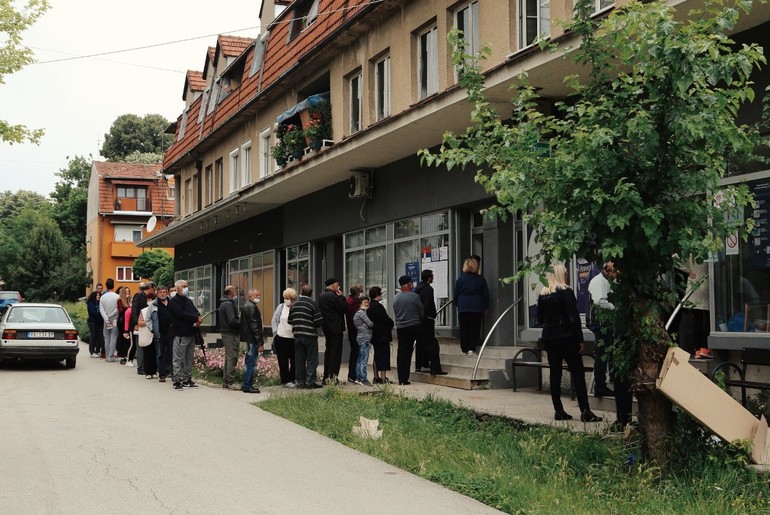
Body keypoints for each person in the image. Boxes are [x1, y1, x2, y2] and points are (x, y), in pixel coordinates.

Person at [537, 263, 602, 422]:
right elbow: (573, 318)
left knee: (555, 373)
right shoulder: (566, 292)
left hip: (550, 337)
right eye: (565, 273)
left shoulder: (543, 294)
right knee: (578, 373)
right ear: (560, 275)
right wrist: (579, 339)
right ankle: (585, 410)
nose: (567, 275)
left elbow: (539, 319)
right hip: (566, 337)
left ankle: (558, 410)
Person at [587, 263, 615, 398]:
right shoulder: (599, 281)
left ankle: (605, 383)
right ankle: (600, 386)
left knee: (606, 353)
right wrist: (615, 308)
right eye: (615, 272)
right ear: (608, 271)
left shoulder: (605, 280)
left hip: (604, 322)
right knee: (602, 354)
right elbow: (599, 301)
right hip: (600, 323)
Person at [169, 279, 203, 390]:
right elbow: (180, 314)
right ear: (178, 287)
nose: (186, 288)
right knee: (178, 359)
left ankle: (187, 379)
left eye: (187, 286)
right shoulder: (174, 301)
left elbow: (195, 312)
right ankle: (177, 381)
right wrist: (195, 318)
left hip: (191, 333)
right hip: (180, 334)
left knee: (189, 358)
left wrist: (198, 318)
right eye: (184, 286)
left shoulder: (188, 301)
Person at [288, 284, 323, 389]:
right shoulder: (313, 304)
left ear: (301, 292)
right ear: (311, 293)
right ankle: (310, 381)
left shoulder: (294, 305)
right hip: (310, 336)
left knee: (299, 359)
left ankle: (300, 382)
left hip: (297, 336)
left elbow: (290, 320)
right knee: (312, 359)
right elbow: (318, 321)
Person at [453, 257, 489, 356]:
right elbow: (485, 294)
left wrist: (458, 304)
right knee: (475, 328)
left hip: (463, 306)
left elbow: (455, 294)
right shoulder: (480, 280)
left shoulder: (460, 279)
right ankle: (471, 348)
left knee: (464, 328)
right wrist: (485, 307)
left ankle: (463, 348)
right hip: (477, 306)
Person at [414, 269, 447, 376]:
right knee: (432, 343)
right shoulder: (428, 289)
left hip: (419, 320)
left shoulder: (418, 288)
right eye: (432, 276)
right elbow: (427, 304)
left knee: (420, 342)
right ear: (429, 278)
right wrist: (427, 316)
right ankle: (433, 367)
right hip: (426, 319)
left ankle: (420, 365)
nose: (433, 278)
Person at [393, 275, 424, 385]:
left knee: (402, 353)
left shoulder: (396, 298)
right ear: (409, 284)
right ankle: (427, 365)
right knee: (423, 344)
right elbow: (421, 312)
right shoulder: (414, 297)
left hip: (401, 327)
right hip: (414, 325)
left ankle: (402, 378)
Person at [318, 277, 347, 384]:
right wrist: (341, 297)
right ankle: (333, 377)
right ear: (332, 285)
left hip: (326, 328)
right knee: (336, 353)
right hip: (336, 328)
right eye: (337, 284)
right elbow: (343, 308)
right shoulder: (333, 296)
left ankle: (326, 376)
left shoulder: (321, 296)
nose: (338, 286)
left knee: (328, 351)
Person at [367, 286, 393, 384]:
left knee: (377, 355)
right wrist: (391, 322)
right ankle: (383, 377)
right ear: (378, 295)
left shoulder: (369, 306)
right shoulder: (378, 306)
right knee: (384, 356)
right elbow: (386, 320)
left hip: (374, 335)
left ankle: (376, 376)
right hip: (382, 335)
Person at [271, 288, 297, 387]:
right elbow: (274, 320)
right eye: (285, 298)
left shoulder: (296, 307)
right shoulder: (281, 307)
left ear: (293, 299)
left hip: (293, 338)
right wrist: (275, 333)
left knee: (294, 360)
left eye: (289, 298)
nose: (287, 300)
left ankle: (292, 378)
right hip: (281, 337)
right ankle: (285, 381)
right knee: (283, 361)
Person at [240, 288, 264, 394]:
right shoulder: (251, 307)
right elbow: (254, 326)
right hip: (252, 339)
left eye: (259, 295)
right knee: (251, 363)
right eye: (257, 295)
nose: (259, 297)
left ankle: (246, 383)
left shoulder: (248, 305)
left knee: (249, 362)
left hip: (249, 338)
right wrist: (260, 343)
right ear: (250, 296)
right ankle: (247, 385)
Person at [219, 285, 241, 390]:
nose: (236, 292)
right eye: (235, 290)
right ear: (231, 292)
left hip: (226, 332)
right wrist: (242, 323)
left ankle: (226, 381)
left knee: (228, 358)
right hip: (230, 333)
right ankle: (230, 382)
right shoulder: (228, 304)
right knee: (232, 357)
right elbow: (232, 320)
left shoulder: (224, 303)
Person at [150, 285, 174, 382]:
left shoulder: (172, 302)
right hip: (159, 333)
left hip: (171, 332)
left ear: (167, 293)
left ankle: (174, 373)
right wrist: (153, 330)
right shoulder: (153, 304)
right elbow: (148, 319)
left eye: (164, 292)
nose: (162, 294)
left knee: (172, 353)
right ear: (157, 293)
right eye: (160, 292)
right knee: (160, 354)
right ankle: (162, 374)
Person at [131, 282, 155, 375]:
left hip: (148, 325)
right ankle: (141, 367)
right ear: (150, 288)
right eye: (153, 289)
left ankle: (147, 366)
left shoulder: (150, 297)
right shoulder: (138, 296)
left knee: (148, 346)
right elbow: (134, 310)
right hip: (140, 324)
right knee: (141, 345)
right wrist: (136, 323)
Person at [352, 297, 374, 386]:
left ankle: (358, 378)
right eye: (365, 302)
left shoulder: (359, 313)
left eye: (368, 302)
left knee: (360, 359)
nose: (367, 304)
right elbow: (371, 324)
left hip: (361, 338)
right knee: (364, 360)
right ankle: (363, 379)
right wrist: (368, 324)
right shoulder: (361, 313)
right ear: (360, 303)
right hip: (364, 338)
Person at [345, 284, 364, 383]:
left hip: (351, 330)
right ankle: (356, 375)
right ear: (357, 292)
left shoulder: (348, 301)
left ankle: (352, 375)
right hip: (357, 331)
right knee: (358, 354)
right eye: (361, 291)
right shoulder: (356, 304)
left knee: (354, 353)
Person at [99, 278, 120, 363]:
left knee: (106, 337)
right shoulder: (117, 296)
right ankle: (111, 355)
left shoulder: (103, 297)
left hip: (106, 320)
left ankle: (107, 355)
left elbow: (101, 309)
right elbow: (118, 308)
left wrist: (106, 318)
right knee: (114, 336)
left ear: (106, 286)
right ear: (113, 285)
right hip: (115, 319)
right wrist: (111, 315)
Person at [137, 304, 158, 379]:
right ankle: (148, 372)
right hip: (146, 334)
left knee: (155, 354)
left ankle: (154, 371)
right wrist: (149, 322)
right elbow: (139, 322)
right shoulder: (143, 311)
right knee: (147, 353)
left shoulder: (157, 309)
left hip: (155, 335)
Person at [116, 286, 132, 364]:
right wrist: (127, 304)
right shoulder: (120, 300)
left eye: (128, 292)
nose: (128, 293)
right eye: (126, 292)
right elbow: (120, 310)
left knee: (128, 340)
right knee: (123, 339)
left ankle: (127, 355)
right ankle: (122, 355)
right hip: (122, 322)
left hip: (129, 321)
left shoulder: (130, 300)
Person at [86, 290, 103, 358]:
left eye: (99, 295)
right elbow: (93, 312)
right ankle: (92, 351)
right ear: (94, 296)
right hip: (92, 322)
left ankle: (97, 350)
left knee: (100, 336)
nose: (98, 297)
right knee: (93, 336)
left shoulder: (99, 303)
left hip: (99, 322)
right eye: (97, 295)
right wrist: (101, 313)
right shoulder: (91, 303)